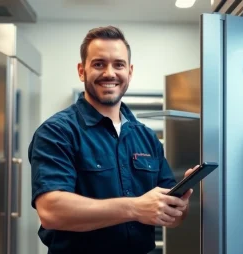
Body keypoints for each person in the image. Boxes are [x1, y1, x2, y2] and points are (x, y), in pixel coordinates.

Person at [28, 25, 197, 254]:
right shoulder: (57, 132)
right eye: (99, 64)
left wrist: (180, 203)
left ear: (130, 71)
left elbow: (173, 219)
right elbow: (51, 211)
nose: (109, 73)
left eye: (119, 64)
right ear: (81, 71)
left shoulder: (146, 137)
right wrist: (135, 208)